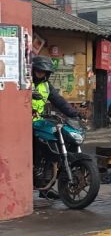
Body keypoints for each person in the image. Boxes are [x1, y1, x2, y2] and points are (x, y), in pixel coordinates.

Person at [31, 56, 81, 200]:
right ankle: (33, 173)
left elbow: (59, 101)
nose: (42, 74)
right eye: (39, 71)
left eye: (44, 72)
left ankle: (45, 186)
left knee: (50, 149)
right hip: (23, 123)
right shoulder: (27, 82)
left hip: (38, 122)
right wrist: (28, 93)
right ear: (33, 70)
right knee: (34, 150)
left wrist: (74, 113)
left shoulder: (47, 86)